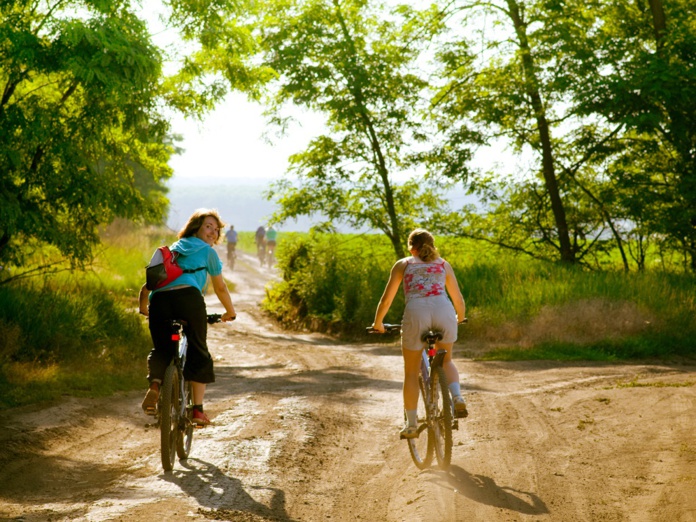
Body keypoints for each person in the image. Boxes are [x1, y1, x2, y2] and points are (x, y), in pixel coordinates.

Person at [138, 209, 236, 426]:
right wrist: (230, 312)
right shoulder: (208, 252)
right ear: (196, 227)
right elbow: (220, 287)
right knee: (199, 350)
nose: (213, 232)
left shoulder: (173, 249)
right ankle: (198, 411)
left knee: (162, 349)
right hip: (189, 300)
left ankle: (155, 385)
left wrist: (144, 307)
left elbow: (150, 284)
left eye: (216, 229)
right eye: (208, 226)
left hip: (160, 301)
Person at [371, 228, 468, 439]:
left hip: (417, 313)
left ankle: (412, 424)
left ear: (410, 247)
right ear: (432, 246)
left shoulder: (403, 264)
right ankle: (458, 397)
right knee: (447, 360)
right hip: (444, 311)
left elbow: (386, 300)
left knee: (411, 372)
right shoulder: (443, 264)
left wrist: (378, 323)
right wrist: (459, 318)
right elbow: (458, 299)